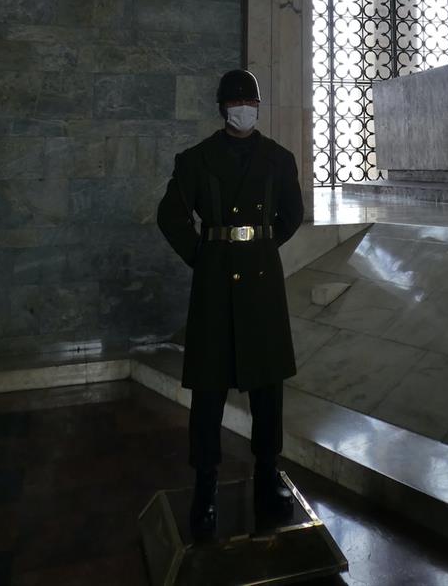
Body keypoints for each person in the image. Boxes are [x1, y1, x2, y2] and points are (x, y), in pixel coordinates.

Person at [156, 68, 304, 541]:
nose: (245, 108)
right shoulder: (196, 159)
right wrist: (203, 255)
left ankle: (267, 477)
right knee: (209, 389)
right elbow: (171, 215)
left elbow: (292, 214)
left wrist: (261, 246)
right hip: (216, 283)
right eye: (237, 101)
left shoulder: (279, 159)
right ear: (222, 108)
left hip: (260, 284)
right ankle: (205, 487)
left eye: (251, 102)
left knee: (267, 387)